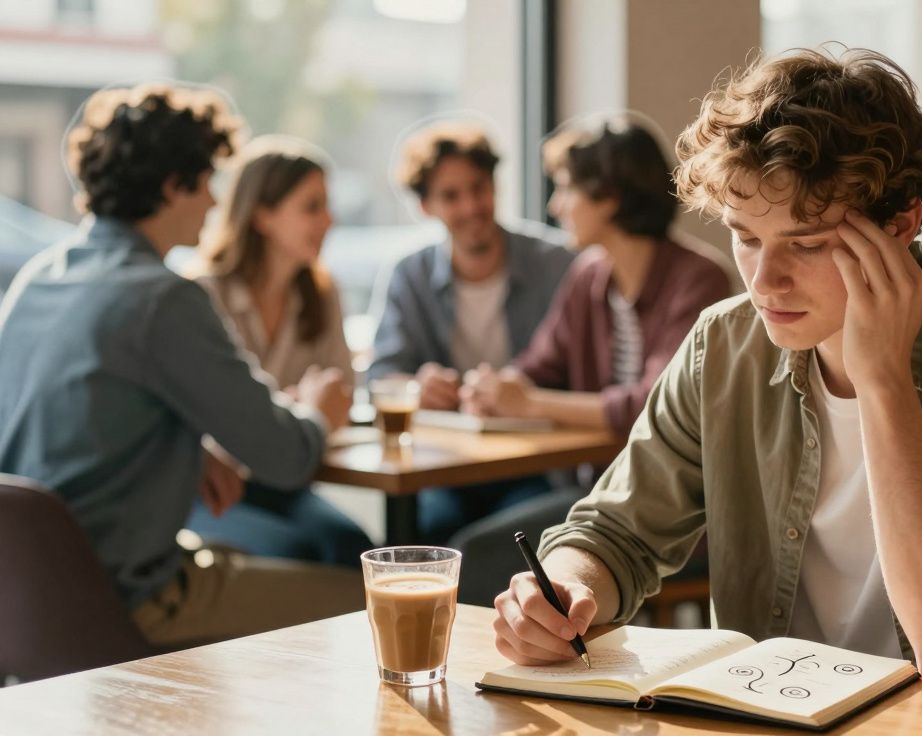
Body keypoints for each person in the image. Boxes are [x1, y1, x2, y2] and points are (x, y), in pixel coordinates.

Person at [489, 48, 922, 684]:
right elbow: (616, 532)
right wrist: (560, 592)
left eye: (806, 245)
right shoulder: (723, 345)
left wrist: (883, 378)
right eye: (746, 238)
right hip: (775, 715)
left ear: (900, 226)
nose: (764, 281)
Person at [0, 83, 361, 646]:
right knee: (380, 602)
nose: (216, 203)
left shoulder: (38, 280)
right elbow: (287, 456)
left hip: (28, 597)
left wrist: (187, 449)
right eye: (208, 182)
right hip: (132, 598)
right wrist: (316, 413)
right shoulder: (162, 299)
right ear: (173, 186)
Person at [450, 115, 733, 605]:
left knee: (472, 556)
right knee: (457, 535)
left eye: (566, 188)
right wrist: (496, 388)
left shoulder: (698, 279)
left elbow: (650, 406)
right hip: (599, 493)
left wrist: (532, 402)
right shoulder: (589, 275)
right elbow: (540, 364)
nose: (555, 205)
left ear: (609, 196)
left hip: (675, 508)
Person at [371, 121, 575, 543]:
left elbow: (581, 370)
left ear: (495, 186)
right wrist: (417, 388)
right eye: (450, 195)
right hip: (443, 467)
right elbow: (381, 377)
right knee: (420, 534)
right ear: (426, 206)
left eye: (479, 187)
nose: (470, 206)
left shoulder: (556, 264)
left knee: (506, 542)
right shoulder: (410, 275)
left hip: (532, 462)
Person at [186, 134, 373, 565]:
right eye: (312, 207)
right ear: (263, 216)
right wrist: (295, 408)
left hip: (286, 484)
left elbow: (338, 396)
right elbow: (204, 421)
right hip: (213, 490)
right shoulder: (201, 294)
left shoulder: (322, 295)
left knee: (354, 547)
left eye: (327, 206)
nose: (329, 221)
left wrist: (290, 411)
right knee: (299, 552)